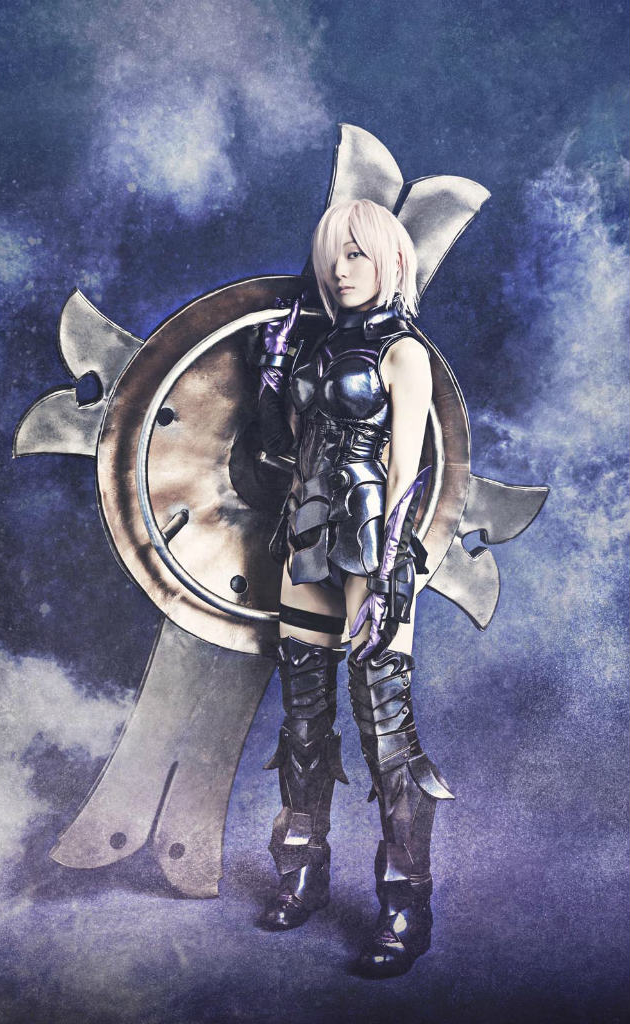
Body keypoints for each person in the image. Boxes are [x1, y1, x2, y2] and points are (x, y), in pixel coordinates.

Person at [256, 198, 454, 979]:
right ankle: (302, 874)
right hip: (306, 537)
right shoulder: (315, 346)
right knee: (303, 718)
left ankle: (406, 904)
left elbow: (406, 470)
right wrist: (275, 373)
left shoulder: (404, 352)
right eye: (332, 254)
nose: (340, 269)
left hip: (371, 546)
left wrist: (389, 575)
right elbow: (286, 447)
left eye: (357, 254)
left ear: (392, 260)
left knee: (384, 725)